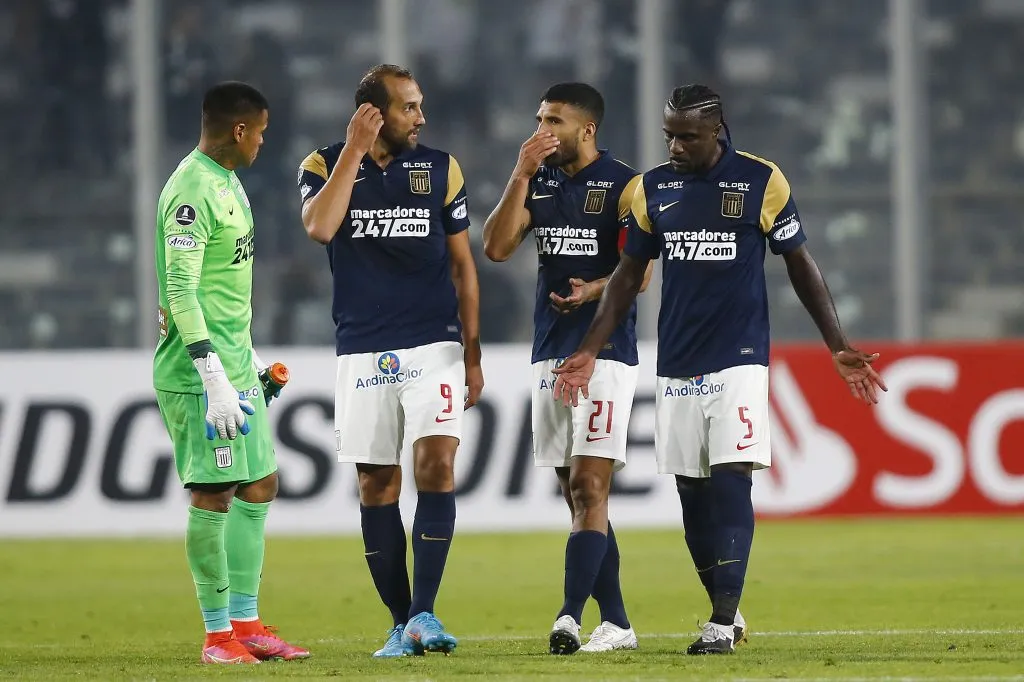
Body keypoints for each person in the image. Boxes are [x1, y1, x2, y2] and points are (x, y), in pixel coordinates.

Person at [552, 84, 888, 655]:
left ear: (718, 130)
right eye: (670, 136)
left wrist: (836, 342)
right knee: (693, 497)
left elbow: (800, 264)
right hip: (678, 362)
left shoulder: (762, 181)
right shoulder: (653, 189)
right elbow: (628, 276)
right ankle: (727, 615)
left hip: (739, 357)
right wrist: (588, 348)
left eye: (688, 135)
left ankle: (720, 620)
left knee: (733, 477)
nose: (677, 145)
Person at [297, 64, 484, 658]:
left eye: (420, 105)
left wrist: (472, 354)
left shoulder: (440, 168)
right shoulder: (323, 165)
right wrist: (354, 149)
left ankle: (425, 611)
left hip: (434, 344)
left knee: (437, 466)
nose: (421, 118)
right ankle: (402, 621)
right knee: (377, 483)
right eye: (408, 107)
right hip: (362, 346)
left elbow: (463, 267)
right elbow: (321, 228)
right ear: (373, 113)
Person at [483, 82, 651, 655]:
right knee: (577, 495)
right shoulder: (539, 178)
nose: (541, 131)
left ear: (587, 129)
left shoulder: (627, 184)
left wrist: (593, 291)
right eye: (537, 119)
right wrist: (520, 174)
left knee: (588, 484)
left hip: (605, 354)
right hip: (549, 350)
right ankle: (619, 623)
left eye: (553, 120)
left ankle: (568, 617)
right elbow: (498, 247)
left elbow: (641, 274)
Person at [153, 81, 310, 665]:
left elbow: (223, 287)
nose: (264, 142)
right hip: (199, 375)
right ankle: (217, 637)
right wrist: (213, 375)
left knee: (260, 484)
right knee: (214, 494)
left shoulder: (230, 183)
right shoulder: (190, 191)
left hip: (236, 368)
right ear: (239, 130)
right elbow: (180, 288)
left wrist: (246, 369)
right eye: (261, 131)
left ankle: (246, 625)